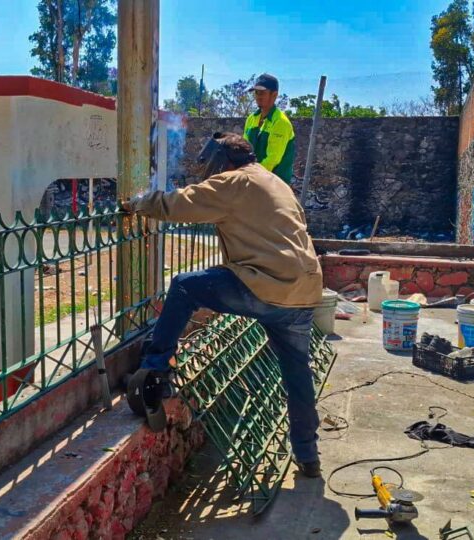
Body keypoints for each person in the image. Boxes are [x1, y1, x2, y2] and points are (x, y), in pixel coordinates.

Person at [121, 132, 324, 477]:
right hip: (304, 290)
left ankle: (155, 368)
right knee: (297, 375)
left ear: (221, 161)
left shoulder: (233, 182)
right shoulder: (273, 181)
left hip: (266, 285)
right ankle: (308, 455)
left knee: (185, 287)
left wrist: (137, 203)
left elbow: (178, 205)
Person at [243, 73, 296, 184]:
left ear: (274, 95)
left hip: (276, 184)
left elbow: (272, 159)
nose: (258, 96)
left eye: (262, 93)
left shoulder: (281, 122)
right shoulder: (251, 119)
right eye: (256, 92)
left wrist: (251, 175)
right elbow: (244, 149)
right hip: (254, 180)